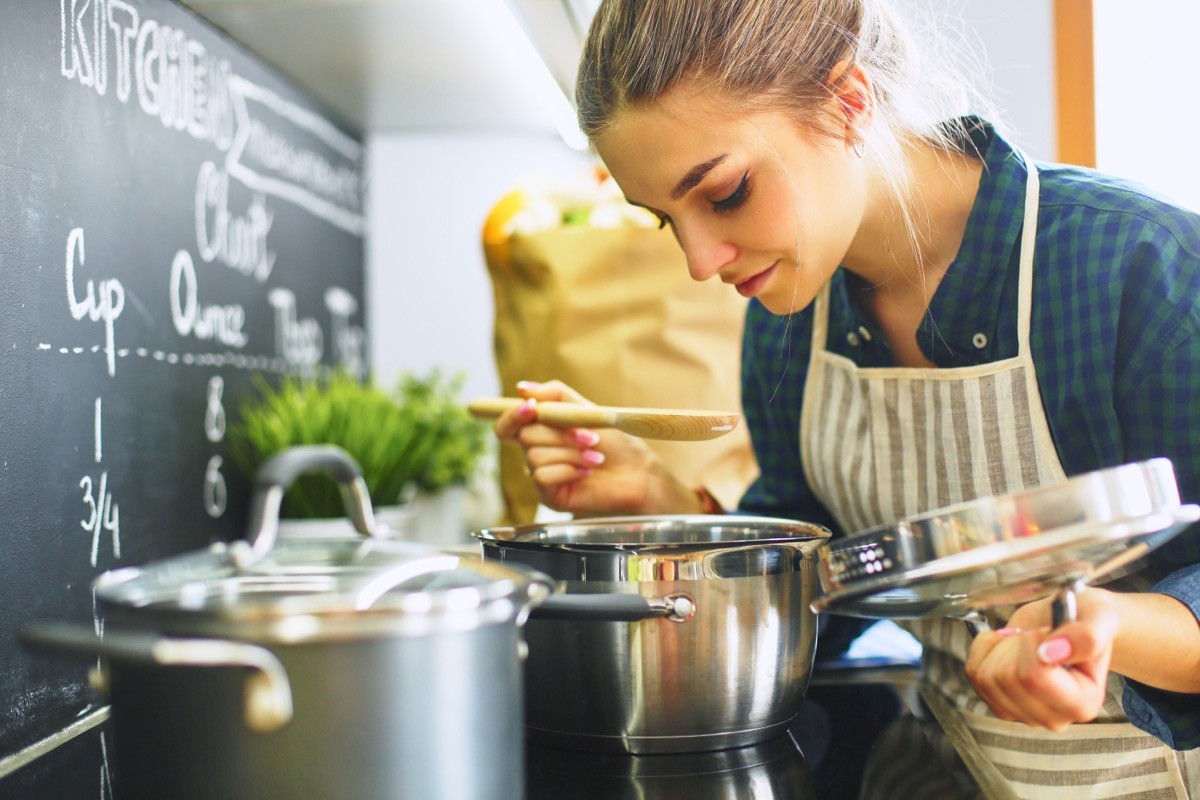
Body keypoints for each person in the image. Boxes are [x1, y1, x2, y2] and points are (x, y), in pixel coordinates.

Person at [491, 0, 1200, 796]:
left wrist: (1101, 625)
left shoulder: (1141, 268)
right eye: (665, 220)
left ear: (848, 100)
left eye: (723, 194)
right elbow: (822, 595)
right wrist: (663, 502)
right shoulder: (791, 322)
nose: (700, 261)